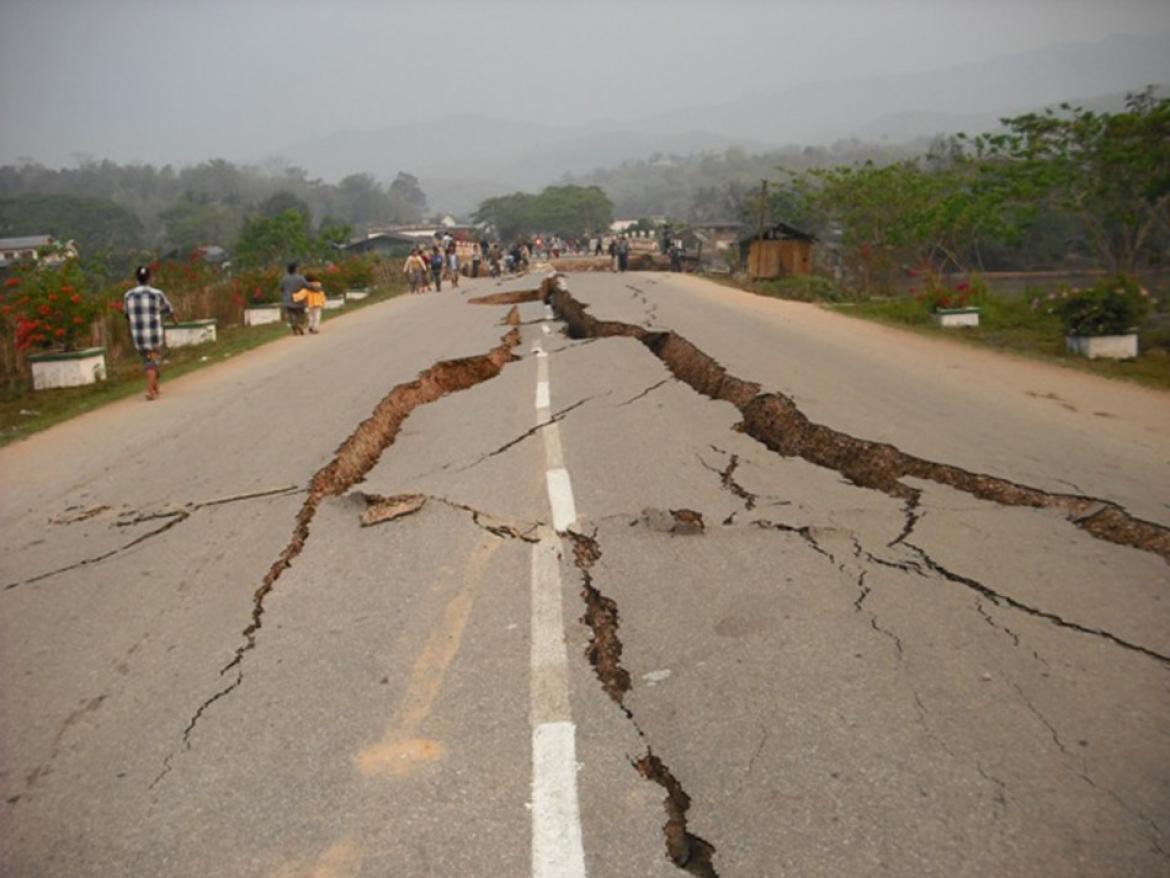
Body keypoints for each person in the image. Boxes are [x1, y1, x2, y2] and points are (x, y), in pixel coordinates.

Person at [123, 265, 177, 401]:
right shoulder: (157, 294)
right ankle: (150, 391)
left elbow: (127, 315)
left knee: (148, 360)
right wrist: (175, 321)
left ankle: (155, 387)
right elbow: (169, 310)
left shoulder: (128, 295)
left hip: (138, 337)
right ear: (150, 278)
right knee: (151, 361)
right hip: (153, 336)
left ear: (137, 278)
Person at [280, 262, 308, 334]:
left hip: (287, 300)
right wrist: (315, 288)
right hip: (298, 299)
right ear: (295, 269)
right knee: (298, 314)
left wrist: (285, 292)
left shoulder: (284, 278)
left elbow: (281, 288)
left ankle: (294, 330)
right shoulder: (300, 278)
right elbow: (307, 285)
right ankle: (298, 324)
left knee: (291, 314)